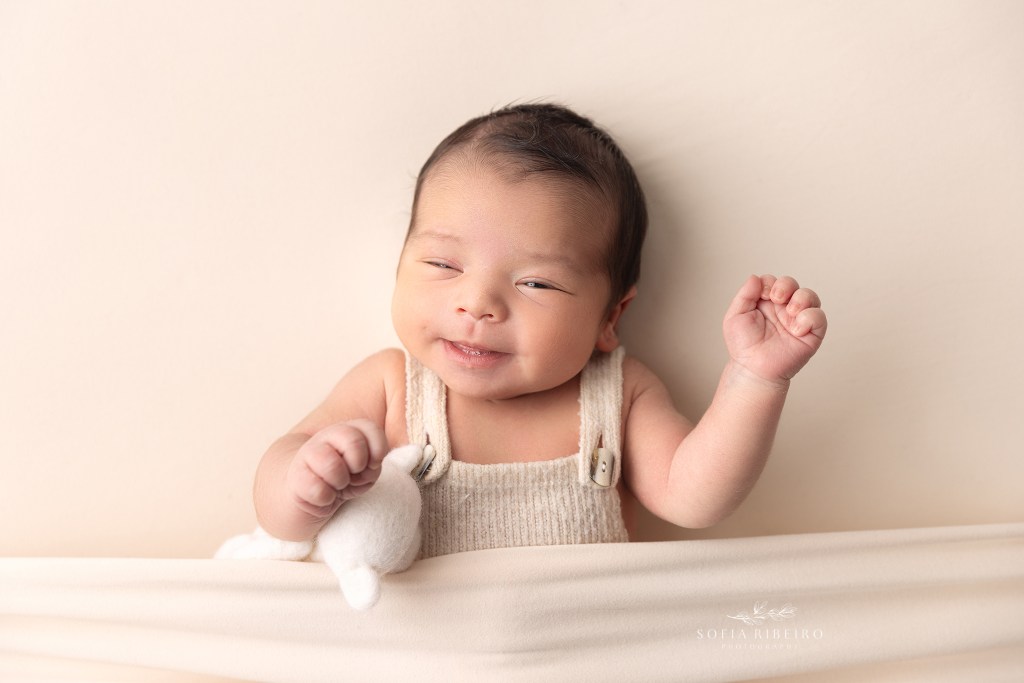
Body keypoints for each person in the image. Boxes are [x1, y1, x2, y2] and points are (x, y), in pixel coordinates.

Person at [253, 103, 827, 558]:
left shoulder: (618, 394)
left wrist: (755, 379)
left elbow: (693, 498)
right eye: (444, 265)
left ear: (610, 318)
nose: (477, 304)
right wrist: (306, 482)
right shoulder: (390, 386)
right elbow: (276, 511)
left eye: (536, 283)